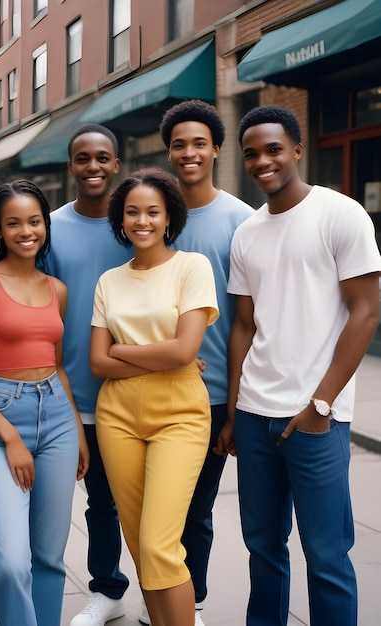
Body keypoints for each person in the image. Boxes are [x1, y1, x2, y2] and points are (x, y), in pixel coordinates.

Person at [217, 105, 381, 626]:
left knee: (327, 554)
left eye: (273, 150)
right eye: (252, 154)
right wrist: (234, 412)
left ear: (297, 151)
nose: (262, 161)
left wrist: (321, 404)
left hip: (315, 418)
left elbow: (367, 311)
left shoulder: (341, 213)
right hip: (254, 414)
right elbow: (243, 325)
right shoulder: (247, 232)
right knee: (263, 550)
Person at [0, 180, 89, 626]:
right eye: (14, 223)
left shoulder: (57, 290)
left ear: (45, 226)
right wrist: (8, 436)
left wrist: (78, 433)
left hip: (58, 418)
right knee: (11, 562)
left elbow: (59, 366)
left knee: (49, 556)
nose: (26, 231)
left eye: (34, 222)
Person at [90, 168, 219, 626]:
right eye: (132, 212)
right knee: (139, 543)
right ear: (120, 220)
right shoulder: (110, 280)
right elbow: (97, 364)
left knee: (160, 544)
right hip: (117, 415)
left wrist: (123, 348)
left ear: (169, 218)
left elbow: (186, 350)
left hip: (179, 412)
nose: (141, 220)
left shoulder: (191, 267)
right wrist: (160, 356)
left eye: (152, 212)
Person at [156, 100, 254, 626]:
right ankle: (163, 593)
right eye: (179, 144)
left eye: (199, 143)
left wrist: (235, 405)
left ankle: (188, 601)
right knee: (156, 508)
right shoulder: (155, 215)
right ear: (168, 152)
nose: (189, 152)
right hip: (151, 386)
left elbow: (247, 319)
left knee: (195, 507)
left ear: (216, 149)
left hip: (212, 393)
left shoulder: (241, 219)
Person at [39, 124, 133, 626]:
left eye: (102, 157)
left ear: (116, 164)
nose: (93, 166)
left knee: (157, 503)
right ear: (70, 165)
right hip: (73, 390)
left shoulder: (138, 222)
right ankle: (108, 589)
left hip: (139, 387)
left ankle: (181, 596)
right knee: (101, 503)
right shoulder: (49, 229)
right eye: (82, 158)